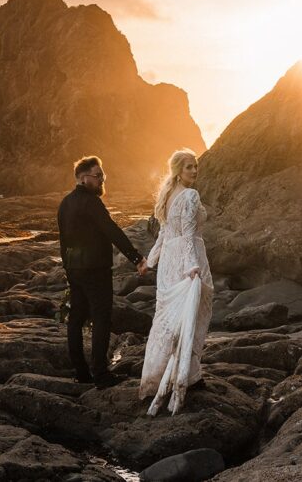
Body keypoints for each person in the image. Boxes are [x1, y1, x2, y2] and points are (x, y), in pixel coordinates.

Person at [58, 155, 147, 388]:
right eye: (97, 176)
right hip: (95, 270)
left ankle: (81, 373)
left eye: (102, 176)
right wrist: (136, 258)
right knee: (101, 320)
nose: (101, 181)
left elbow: (63, 241)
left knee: (75, 320)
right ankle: (100, 374)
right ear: (82, 178)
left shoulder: (65, 203)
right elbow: (112, 230)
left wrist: (67, 270)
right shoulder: (91, 202)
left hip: (75, 269)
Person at [138, 148, 213, 414]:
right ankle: (187, 378)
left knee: (171, 320)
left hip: (170, 261)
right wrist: (192, 265)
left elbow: (164, 235)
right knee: (190, 316)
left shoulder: (168, 195)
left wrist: (151, 261)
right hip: (185, 259)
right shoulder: (190, 195)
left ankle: (186, 374)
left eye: (195, 166)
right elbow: (189, 234)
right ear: (178, 170)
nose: (194, 170)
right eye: (189, 167)